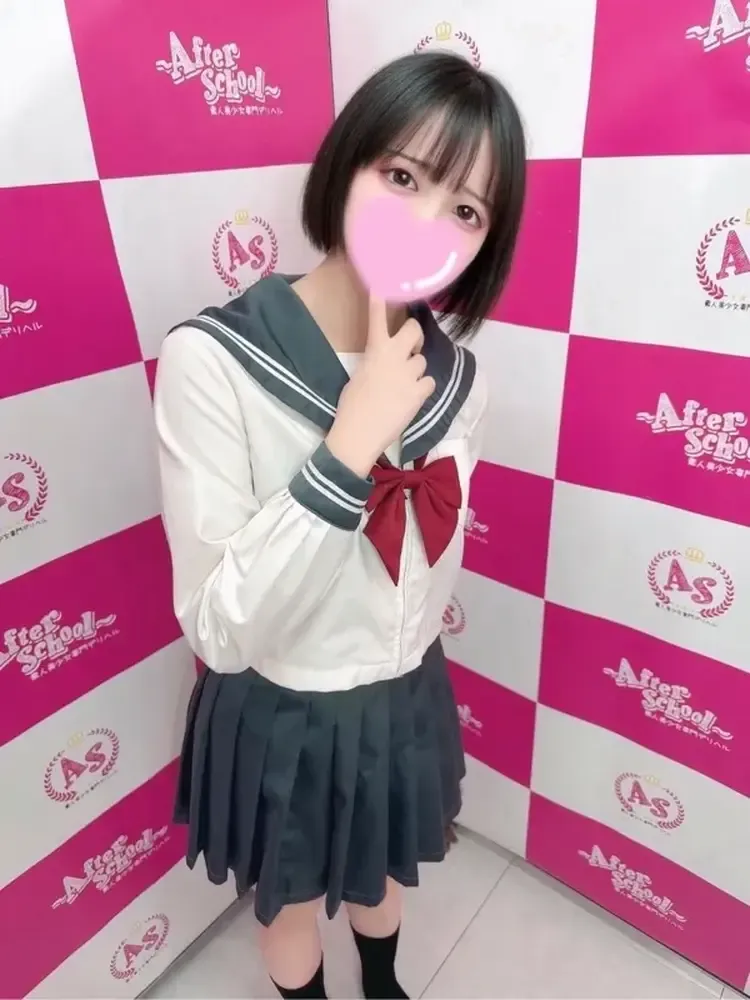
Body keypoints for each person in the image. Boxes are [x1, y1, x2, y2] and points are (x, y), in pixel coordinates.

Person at [154, 50, 525, 1000]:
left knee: (383, 870)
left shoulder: (462, 381)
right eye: (402, 176)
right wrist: (346, 450)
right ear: (348, 164)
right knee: (288, 903)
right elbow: (219, 627)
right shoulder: (211, 360)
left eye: (467, 209)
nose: (426, 222)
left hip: (404, 690)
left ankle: (386, 985)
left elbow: (423, 573)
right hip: (281, 701)